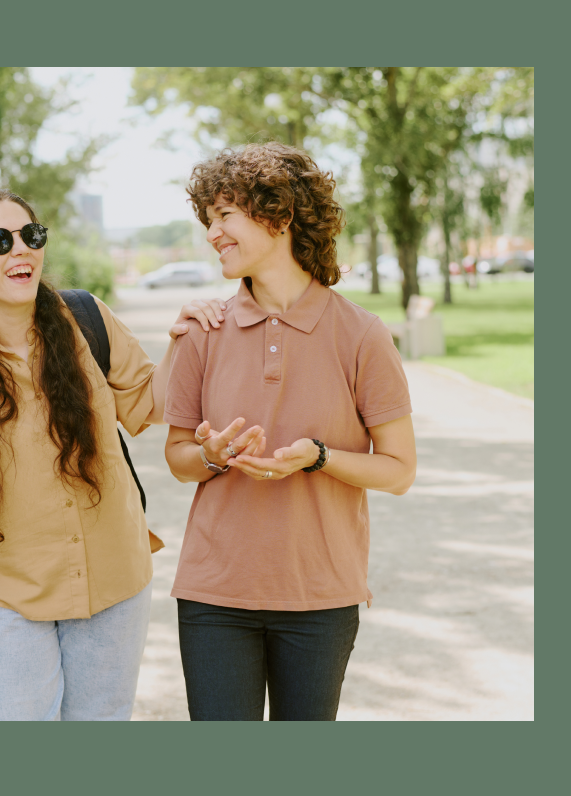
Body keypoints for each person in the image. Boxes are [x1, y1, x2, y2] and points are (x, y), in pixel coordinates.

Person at [0, 187, 225, 721]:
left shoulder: (86, 319)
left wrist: (182, 340)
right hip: (6, 585)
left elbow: (148, 405)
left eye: (32, 235)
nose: (21, 250)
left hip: (112, 574)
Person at [163, 143, 417, 721]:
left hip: (320, 594)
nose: (212, 233)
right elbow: (178, 457)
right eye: (208, 220)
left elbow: (400, 470)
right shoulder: (205, 329)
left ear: (278, 214)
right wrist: (212, 454)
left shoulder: (361, 335)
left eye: (225, 215)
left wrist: (319, 457)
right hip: (213, 594)